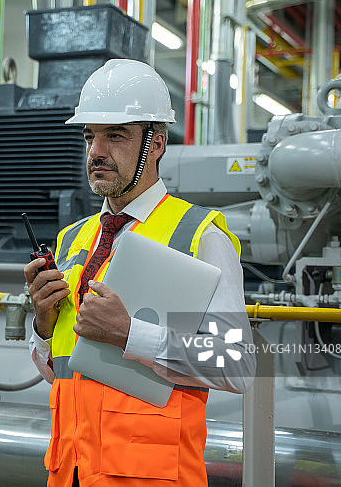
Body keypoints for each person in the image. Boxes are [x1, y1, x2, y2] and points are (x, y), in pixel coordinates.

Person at [24, 59, 256, 487]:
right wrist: (42, 325)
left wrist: (129, 333)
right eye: (90, 136)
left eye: (116, 136)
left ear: (157, 144)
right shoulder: (73, 240)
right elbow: (58, 370)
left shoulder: (198, 236)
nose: (96, 151)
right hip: (71, 471)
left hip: (151, 477)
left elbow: (236, 365)